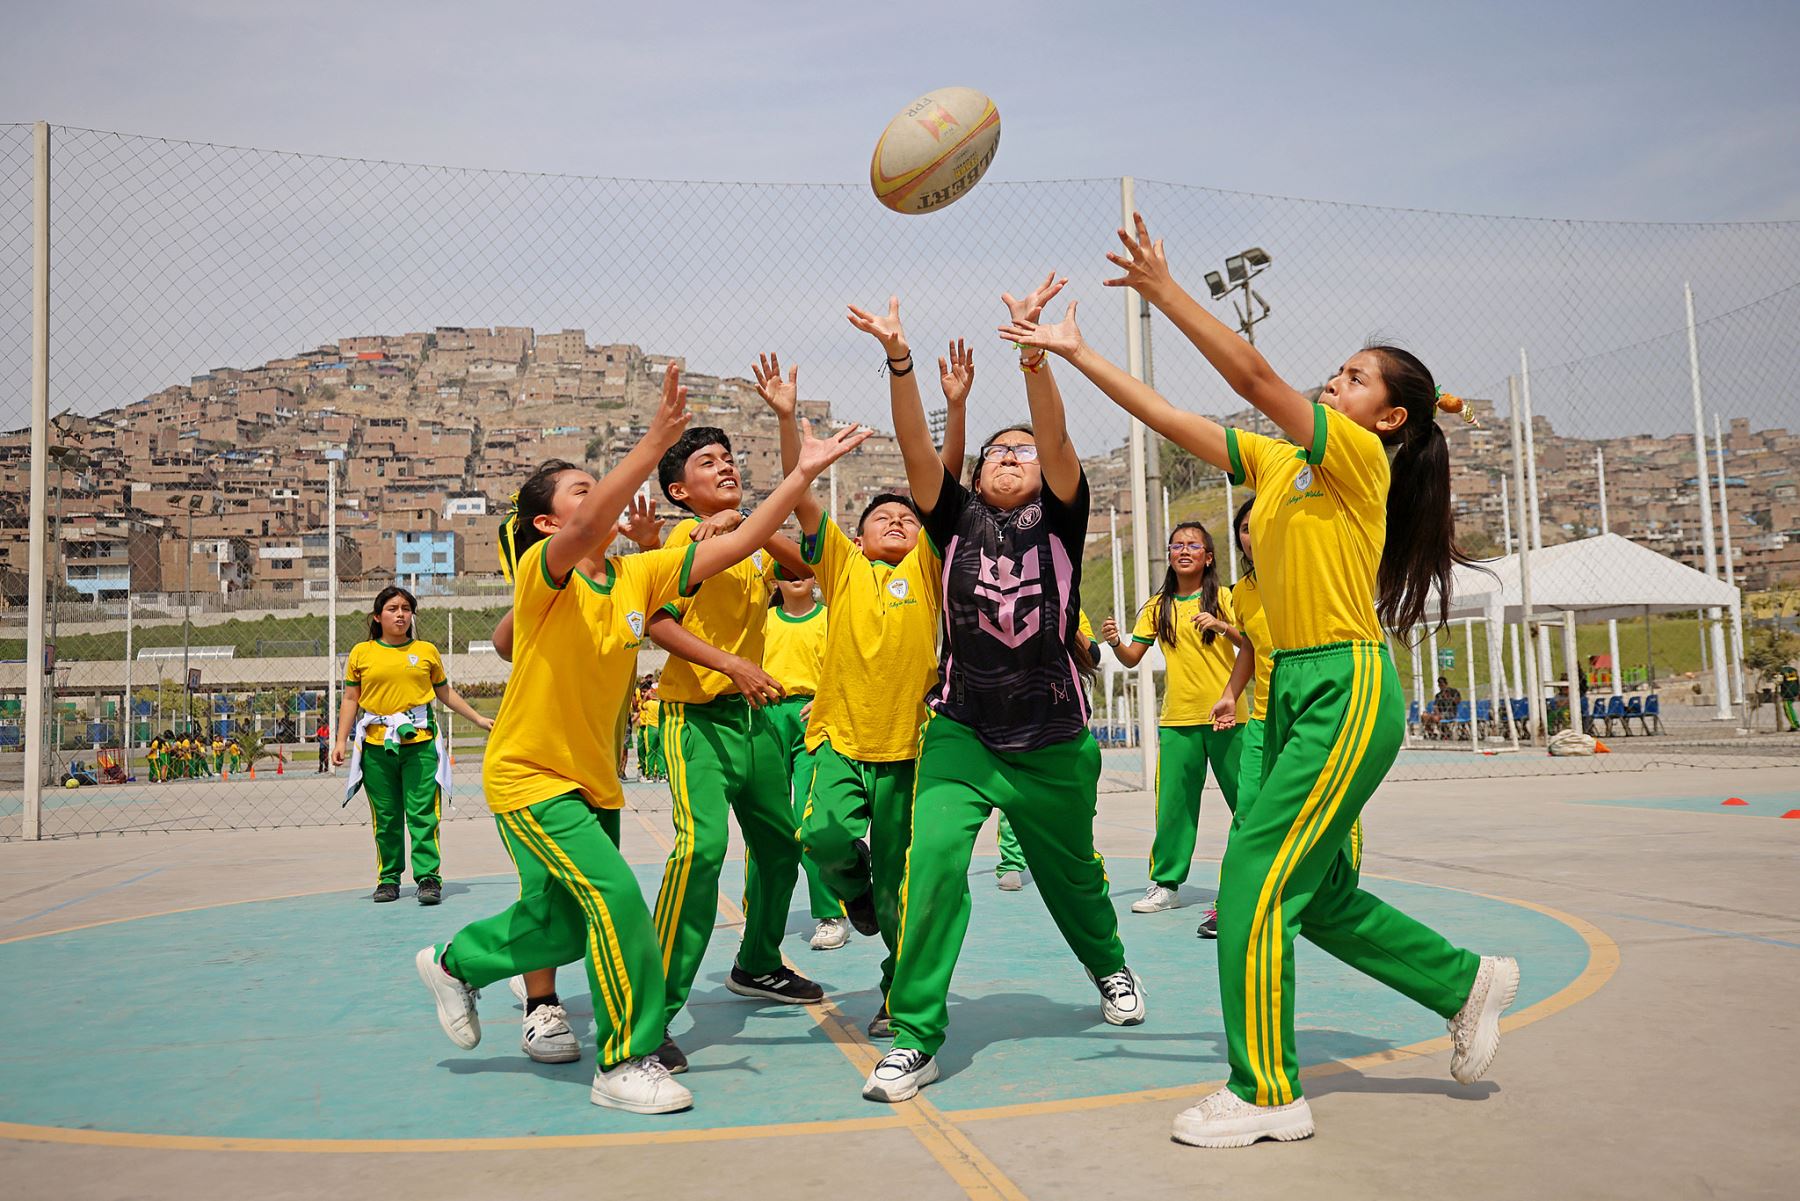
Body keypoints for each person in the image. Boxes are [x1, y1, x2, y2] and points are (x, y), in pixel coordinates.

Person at [1008, 212, 1518, 1147]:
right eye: (1343, 368)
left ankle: (1268, 1090)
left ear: (1390, 416)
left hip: (1347, 684)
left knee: (1251, 880)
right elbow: (1170, 419)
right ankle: (1461, 982)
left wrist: (1166, 295)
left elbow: (1250, 378)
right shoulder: (1282, 463)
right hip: (1295, 693)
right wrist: (1074, 350)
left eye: (1357, 377)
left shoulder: (1360, 458)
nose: (1339, 378)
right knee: (1309, 891)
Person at [414, 364, 872, 1114]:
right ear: (547, 524)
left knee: (563, 922)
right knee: (620, 897)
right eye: (580, 492)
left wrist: (803, 474)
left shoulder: (636, 578)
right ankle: (626, 1059)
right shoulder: (544, 573)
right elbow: (594, 527)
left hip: (594, 778)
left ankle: (456, 962)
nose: (596, 500)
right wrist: (655, 439)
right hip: (531, 774)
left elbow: (752, 538)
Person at [848, 281, 1147, 1104]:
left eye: (1024, 451)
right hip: (963, 730)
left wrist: (1034, 359)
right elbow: (918, 448)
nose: (1013, 456)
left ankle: (1109, 964)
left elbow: (1054, 439)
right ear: (975, 473)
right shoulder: (949, 520)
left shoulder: (1062, 518)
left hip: (1052, 737)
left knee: (1073, 878)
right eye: (997, 451)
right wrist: (900, 360)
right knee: (933, 865)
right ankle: (914, 1037)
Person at [755, 348, 955, 1038]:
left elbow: (943, 485)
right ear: (858, 537)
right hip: (839, 736)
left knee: (907, 884)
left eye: (906, 516)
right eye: (883, 517)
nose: (897, 520)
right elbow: (800, 490)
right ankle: (856, 896)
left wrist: (954, 410)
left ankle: (898, 990)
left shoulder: (928, 569)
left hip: (908, 745)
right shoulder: (840, 566)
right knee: (822, 832)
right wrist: (788, 421)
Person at [645, 422, 829, 1071]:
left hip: (749, 718)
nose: (724, 465)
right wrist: (730, 663)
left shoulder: (743, 540)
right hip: (694, 716)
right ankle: (652, 1011)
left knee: (782, 845)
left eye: (728, 457)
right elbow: (656, 620)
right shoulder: (677, 540)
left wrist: (741, 520)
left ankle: (757, 963)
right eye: (706, 461)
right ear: (678, 488)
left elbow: (803, 566)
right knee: (701, 848)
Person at [1098, 519, 1248, 915]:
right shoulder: (1156, 606)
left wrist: (1222, 626)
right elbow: (1132, 658)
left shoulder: (1227, 599)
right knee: (1174, 808)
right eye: (1176, 544)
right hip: (1178, 720)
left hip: (1230, 717)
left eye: (1193, 546)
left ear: (1209, 556)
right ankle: (1166, 884)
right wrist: (1116, 642)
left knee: (1247, 804)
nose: (1184, 550)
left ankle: (1247, 883)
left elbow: (1252, 644)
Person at [335, 585, 494, 905]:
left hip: (420, 743)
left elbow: (444, 692)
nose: (400, 614)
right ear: (377, 616)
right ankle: (388, 879)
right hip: (378, 747)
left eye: (406, 609)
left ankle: (428, 879)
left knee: (423, 814)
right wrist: (341, 740)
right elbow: (351, 698)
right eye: (393, 609)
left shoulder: (426, 651)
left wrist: (477, 719)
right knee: (387, 816)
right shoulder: (361, 653)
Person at [758, 572, 848, 951]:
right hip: (767, 715)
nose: (794, 576)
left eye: (801, 569)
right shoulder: (762, 621)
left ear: (814, 575)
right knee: (764, 823)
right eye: (784, 570)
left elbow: (846, 664)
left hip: (813, 717)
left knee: (808, 822)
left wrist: (829, 700)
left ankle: (830, 913)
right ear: (772, 579)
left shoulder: (830, 617)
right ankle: (759, 916)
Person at [995, 607, 1095, 891]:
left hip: (1062, 712)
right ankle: (1012, 862)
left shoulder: (1070, 608)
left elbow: (1091, 657)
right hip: (1016, 711)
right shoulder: (1002, 607)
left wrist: (1065, 620)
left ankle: (1076, 855)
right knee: (1014, 789)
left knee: (1074, 792)